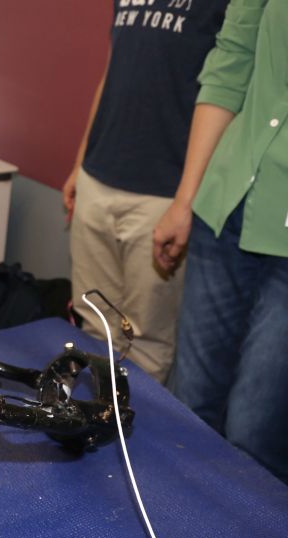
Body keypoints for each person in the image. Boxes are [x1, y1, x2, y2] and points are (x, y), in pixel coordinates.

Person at [153, 0, 288, 483]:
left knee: (256, 432)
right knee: (190, 407)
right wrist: (185, 201)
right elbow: (230, 65)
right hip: (227, 205)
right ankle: (177, 524)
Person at [63, 0, 228, 383]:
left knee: (146, 343)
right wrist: (80, 163)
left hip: (163, 194)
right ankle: (95, 417)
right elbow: (112, 73)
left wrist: (185, 201)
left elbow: (225, 93)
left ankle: (132, 423)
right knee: (93, 323)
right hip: (98, 178)